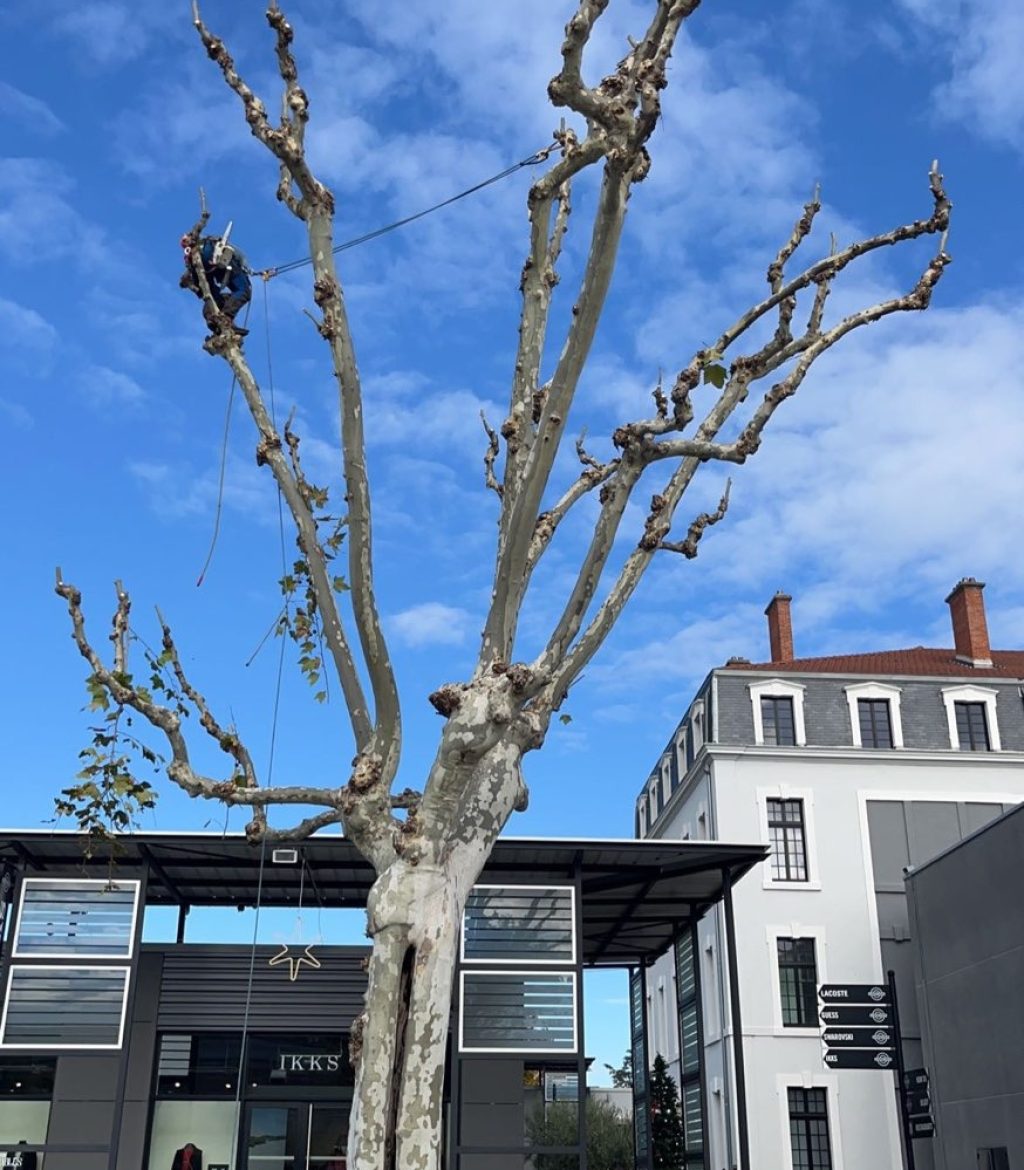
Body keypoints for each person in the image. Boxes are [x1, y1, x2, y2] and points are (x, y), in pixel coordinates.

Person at [180, 228, 251, 334]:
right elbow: (237, 252)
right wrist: (246, 267)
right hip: (218, 262)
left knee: (214, 297)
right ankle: (226, 318)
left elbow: (196, 281)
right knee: (244, 290)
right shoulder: (209, 242)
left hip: (205, 269)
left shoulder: (193, 257)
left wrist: (189, 282)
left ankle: (212, 318)